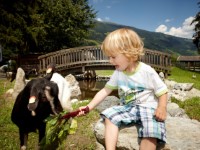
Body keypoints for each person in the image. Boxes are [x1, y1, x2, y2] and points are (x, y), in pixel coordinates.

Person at [78, 28, 168, 150]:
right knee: (109, 117)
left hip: (148, 107)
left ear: (129, 54)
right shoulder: (118, 72)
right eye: (109, 57)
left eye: (113, 57)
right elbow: (105, 91)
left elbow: (162, 91)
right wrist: (89, 106)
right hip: (128, 107)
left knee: (151, 131)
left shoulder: (147, 71)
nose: (110, 61)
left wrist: (161, 107)